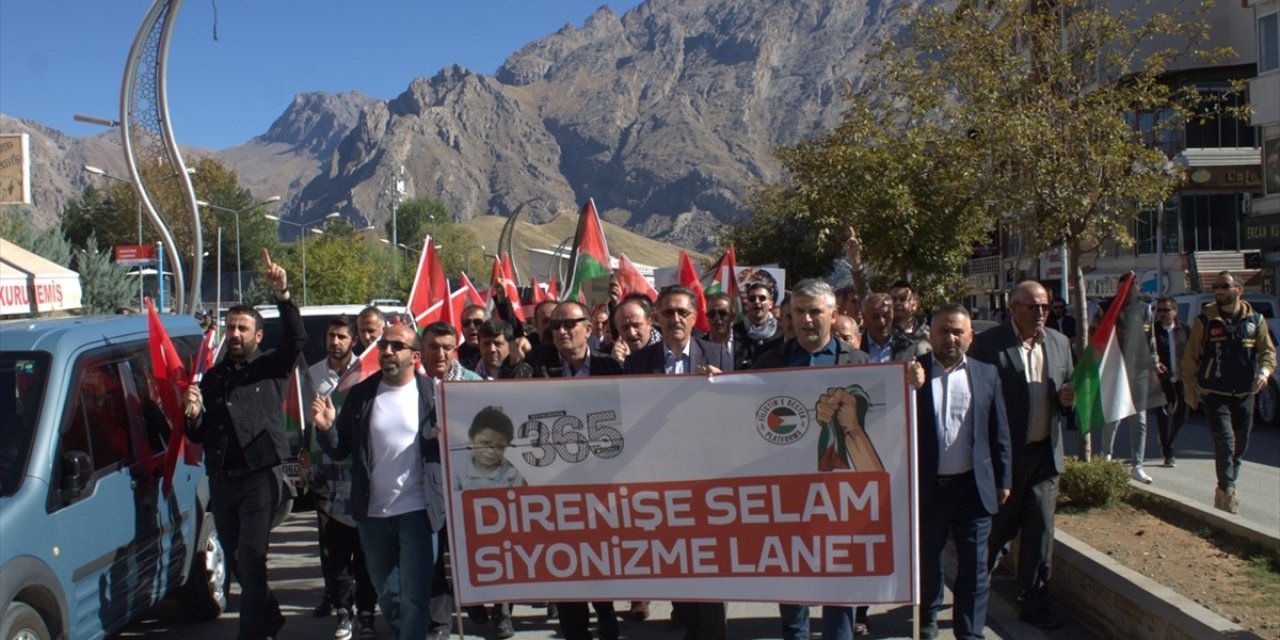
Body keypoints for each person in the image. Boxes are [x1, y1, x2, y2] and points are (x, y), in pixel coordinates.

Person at [183, 249, 299, 640]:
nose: (234, 334)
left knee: (253, 558)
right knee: (236, 560)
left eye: (242, 329)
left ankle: (251, 634)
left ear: (257, 335)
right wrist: (194, 414)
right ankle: (270, 616)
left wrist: (283, 296)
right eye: (230, 327)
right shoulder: (212, 379)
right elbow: (199, 436)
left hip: (259, 478)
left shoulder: (271, 367)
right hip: (222, 482)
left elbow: (297, 338)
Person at [750, 279, 872, 640]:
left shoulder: (860, 363)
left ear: (833, 315)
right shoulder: (769, 362)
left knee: (841, 587)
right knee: (793, 587)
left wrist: (911, 381)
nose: (806, 319)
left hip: (842, 496)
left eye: (815, 311)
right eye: (799, 311)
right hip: (788, 496)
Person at [312, 323, 447, 640]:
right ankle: (406, 629)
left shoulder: (434, 395)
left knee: (415, 591)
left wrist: (445, 440)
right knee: (386, 591)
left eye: (396, 346)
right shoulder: (362, 394)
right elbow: (340, 447)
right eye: (384, 345)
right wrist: (327, 427)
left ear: (414, 356)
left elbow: (459, 445)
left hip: (418, 509)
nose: (386, 351)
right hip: (372, 513)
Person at [624, 285, 733, 640]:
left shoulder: (719, 353)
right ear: (656, 315)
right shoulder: (639, 362)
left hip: (710, 474)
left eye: (682, 313)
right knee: (678, 557)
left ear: (693, 316)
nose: (675, 319)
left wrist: (724, 387)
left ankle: (712, 631)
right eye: (668, 312)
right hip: (661, 476)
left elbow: (740, 409)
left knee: (711, 558)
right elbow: (629, 413)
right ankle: (687, 618)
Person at [968, 280, 1075, 630]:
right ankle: (971, 597)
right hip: (1005, 461)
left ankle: (1035, 604)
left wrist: (1066, 401)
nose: (1041, 313)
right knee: (997, 533)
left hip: (1045, 455)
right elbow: (973, 403)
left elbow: (1069, 391)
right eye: (1033, 307)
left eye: (1045, 306)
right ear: (1013, 308)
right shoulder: (988, 345)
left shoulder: (1059, 343)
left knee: (1041, 533)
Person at [916, 305, 1011, 640]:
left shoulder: (986, 374)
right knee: (929, 563)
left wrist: (1004, 478)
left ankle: (969, 633)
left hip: (972, 487)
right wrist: (906, 386)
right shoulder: (913, 373)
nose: (951, 338)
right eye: (944, 330)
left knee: (975, 567)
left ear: (970, 336)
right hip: (927, 489)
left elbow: (998, 430)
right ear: (931, 334)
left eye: (958, 331)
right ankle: (926, 619)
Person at [530, 301, 621, 640]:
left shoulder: (610, 367)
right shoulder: (537, 366)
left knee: (598, 558)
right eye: (555, 325)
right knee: (565, 564)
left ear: (589, 328)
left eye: (569, 323)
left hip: (601, 483)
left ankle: (607, 614)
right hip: (555, 485)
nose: (562, 331)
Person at [307, 315, 378, 640]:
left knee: (364, 553)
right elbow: (299, 421)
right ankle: (341, 611)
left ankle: (366, 612)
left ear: (353, 340)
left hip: (362, 476)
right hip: (327, 478)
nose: (335, 342)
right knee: (333, 552)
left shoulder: (368, 372)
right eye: (330, 336)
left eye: (341, 337)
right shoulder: (312, 375)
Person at [1181, 271, 1276, 514]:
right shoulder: (1205, 321)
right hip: (1214, 392)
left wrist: (1264, 372)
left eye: (1224, 286)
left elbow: (1268, 352)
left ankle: (1224, 486)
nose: (1219, 291)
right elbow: (1190, 359)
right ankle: (1229, 489)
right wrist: (1189, 389)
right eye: (1216, 287)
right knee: (1226, 441)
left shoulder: (1256, 320)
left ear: (1239, 290)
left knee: (1241, 443)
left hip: (1245, 393)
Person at [450, 406, 526, 639]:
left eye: (499, 445)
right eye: (485, 443)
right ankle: (473, 603)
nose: (491, 451)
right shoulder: (457, 470)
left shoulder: (514, 473)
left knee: (507, 566)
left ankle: (503, 615)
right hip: (469, 530)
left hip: (502, 532)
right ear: (472, 439)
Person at [1095, 284, 1159, 483]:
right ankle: (1106, 456)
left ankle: (1137, 465)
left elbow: (1151, 339)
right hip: (1115, 369)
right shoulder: (1106, 308)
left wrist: (1154, 362)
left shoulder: (1145, 309)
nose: (1131, 290)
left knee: (1139, 420)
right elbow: (1096, 336)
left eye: (1134, 286)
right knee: (1113, 417)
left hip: (1138, 370)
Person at [1152, 296, 1189, 468]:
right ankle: (1168, 452)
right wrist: (1154, 363)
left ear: (1175, 311)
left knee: (1182, 414)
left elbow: (1193, 352)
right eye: (1159, 310)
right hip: (1161, 381)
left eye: (1166, 310)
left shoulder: (1184, 329)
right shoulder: (1153, 331)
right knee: (1165, 416)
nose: (1162, 314)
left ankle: (1167, 438)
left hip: (1181, 379)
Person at [732, 282, 784, 370]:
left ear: (771, 303)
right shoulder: (734, 332)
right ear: (747, 304)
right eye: (752, 299)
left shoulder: (782, 331)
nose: (757, 301)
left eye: (762, 298)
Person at [610, 295, 658, 366]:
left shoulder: (668, 348)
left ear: (649, 322)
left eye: (636, 325)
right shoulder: (606, 358)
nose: (632, 333)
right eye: (625, 328)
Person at [457, 305, 489, 371]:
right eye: (466, 323)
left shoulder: (496, 352)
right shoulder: (455, 357)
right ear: (462, 330)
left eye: (478, 322)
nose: (471, 327)